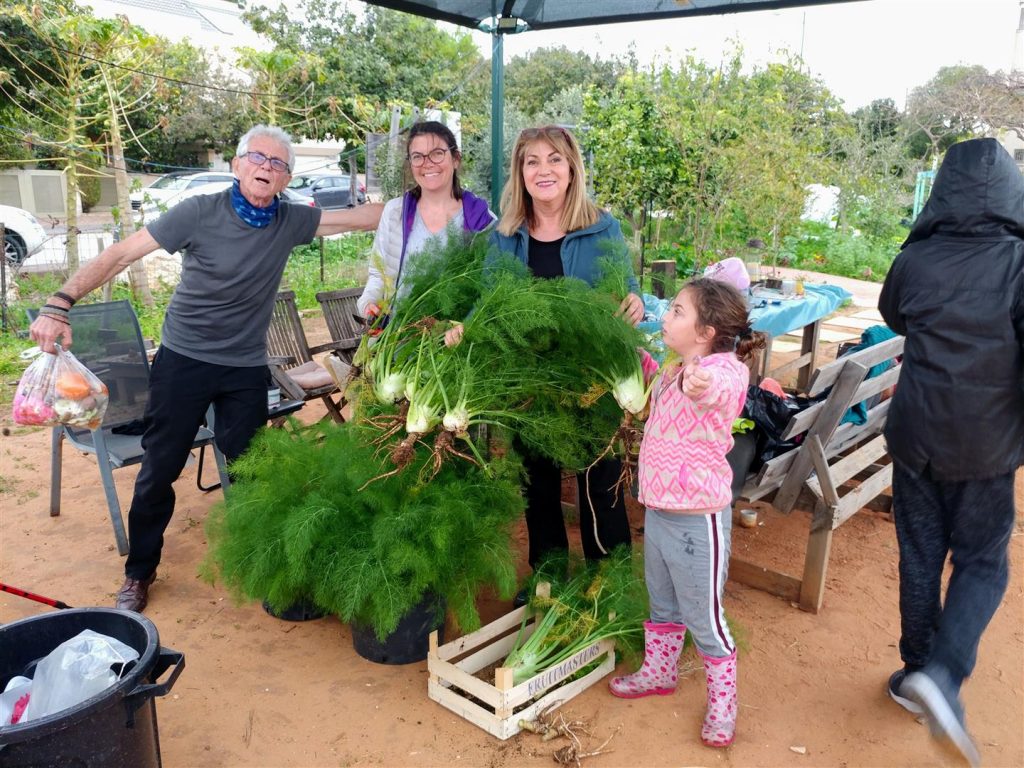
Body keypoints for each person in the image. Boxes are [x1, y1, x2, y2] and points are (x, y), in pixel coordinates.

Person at [30, 124, 383, 613]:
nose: (266, 168)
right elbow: (120, 254)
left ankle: (259, 561)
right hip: (185, 361)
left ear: (286, 180)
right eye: (257, 158)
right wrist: (59, 302)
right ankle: (139, 572)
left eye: (279, 164)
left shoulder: (290, 221)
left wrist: (441, 199)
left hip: (243, 368)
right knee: (160, 468)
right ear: (236, 165)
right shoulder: (198, 211)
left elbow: (361, 218)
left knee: (253, 470)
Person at [878, 137, 1024, 768]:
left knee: (919, 552)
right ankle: (943, 672)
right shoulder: (1020, 260)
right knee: (984, 564)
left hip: (915, 435)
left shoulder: (916, 257)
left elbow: (895, 316)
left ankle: (915, 672)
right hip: (986, 445)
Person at [448, 125, 645, 587]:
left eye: (554, 159)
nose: (544, 170)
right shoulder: (507, 234)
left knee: (601, 483)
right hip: (529, 378)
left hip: (591, 376)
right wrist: (467, 326)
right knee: (537, 485)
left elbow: (627, 288)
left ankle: (609, 583)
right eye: (532, 161)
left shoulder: (602, 226)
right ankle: (548, 580)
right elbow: (492, 297)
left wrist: (634, 301)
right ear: (520, 172)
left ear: (572, 167)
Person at [608, 277, 766, 750]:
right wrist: (644, 364)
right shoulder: (676, 367)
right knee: (663, 599)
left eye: (677, 310)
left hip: (698, 519)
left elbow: (716, 389)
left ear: (706, 331)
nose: (666, 315)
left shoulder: (724, 371)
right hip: (658, 510)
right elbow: (669, 389)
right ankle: (659, 671)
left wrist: (702, 379)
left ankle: (723, 701)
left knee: (704, 615)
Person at [357, 120, 494, 319]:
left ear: (455, 159)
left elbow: (491, 285)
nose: (427, 163)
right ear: (410, 163)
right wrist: (368, 303)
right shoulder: (395, 212)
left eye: (437, 153)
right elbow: (378, 275)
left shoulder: (481, 219)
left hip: (455, 340)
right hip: (400, 338)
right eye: (417, 156)